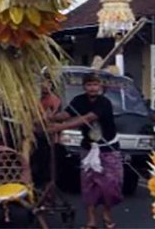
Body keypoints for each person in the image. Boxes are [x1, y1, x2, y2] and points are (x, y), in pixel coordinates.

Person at [50, 72, 121, 229]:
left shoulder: (104, 102)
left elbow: (88, 118)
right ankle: (91, 221)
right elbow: (66, 114)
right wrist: (49, 118)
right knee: (90, 185)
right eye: (89, 85)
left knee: (110, 185)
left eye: (95, 85)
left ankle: (107, 215)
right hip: (88, 148)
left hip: (108, 148)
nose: (92, 88)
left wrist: (61, 127)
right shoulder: (79, 100)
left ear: (100, 87)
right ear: (84, 87)